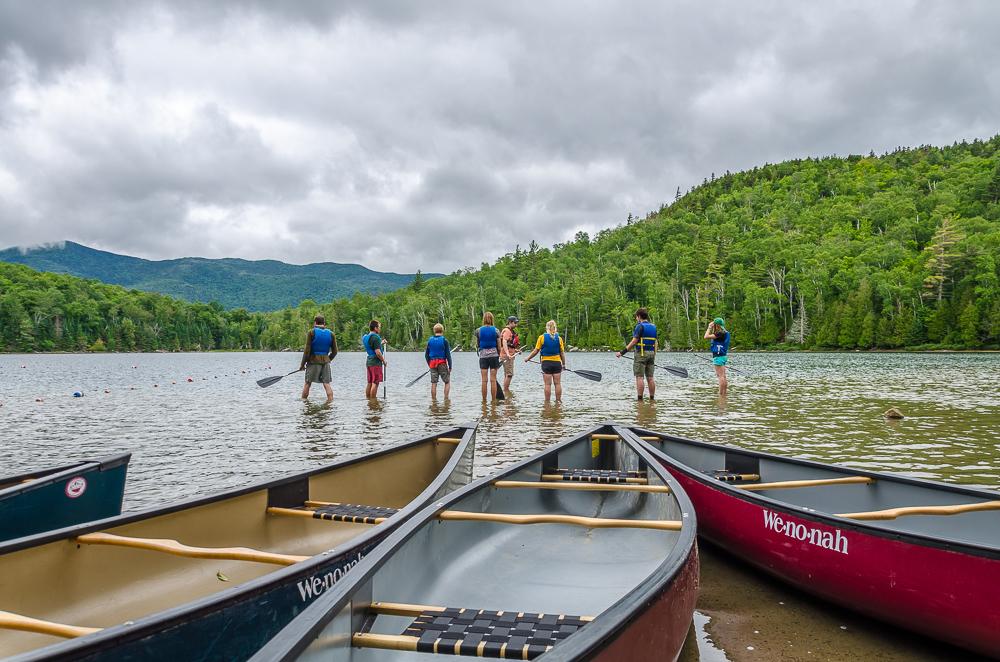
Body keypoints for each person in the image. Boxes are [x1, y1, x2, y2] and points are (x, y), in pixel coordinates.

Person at [616, 307, 657, 400]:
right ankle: (652, 399)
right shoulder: (654, 327)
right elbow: (656, 342)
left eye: (636, 317)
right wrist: (653, 355)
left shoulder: (640, 326)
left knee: (639, 377)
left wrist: (622, 352)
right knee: (650, 378)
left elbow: (634, 341)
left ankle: (640, 400)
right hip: (651, 354)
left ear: (639, 316)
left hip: (641, 354)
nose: (636, 319)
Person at [524, 319, 566, 402]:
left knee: (547, 384)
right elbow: (562, 353)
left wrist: (527, 358)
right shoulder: (559, 338)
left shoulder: (542, 337)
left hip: (546, 364)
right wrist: (563, 364)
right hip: (557, 363)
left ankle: (547, 403)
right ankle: (558, 401)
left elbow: (536, 351)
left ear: (547, 328)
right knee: (557, 384)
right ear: (555, 328)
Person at [300, 315, 337, 401]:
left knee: (307, 383)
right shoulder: (331, 334)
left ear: (315, 323)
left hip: (313, 361)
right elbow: (335, 352)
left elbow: (307, 351)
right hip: (326, 362)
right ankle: (330, 403)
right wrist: (328, 359)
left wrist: (302, 365)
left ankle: (303, 403)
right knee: (327, 383)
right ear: (324, 323)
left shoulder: (311, 332)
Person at [473, 312, 502, 400]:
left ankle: (484, 401)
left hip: (483, 356)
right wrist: (499, 354)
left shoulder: (478, 331)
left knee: (484, 380)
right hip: (494, 356)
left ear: (484, 319)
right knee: (493, 380)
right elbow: (499, 346)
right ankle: (493, 400)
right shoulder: (496, 330)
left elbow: (477, 344)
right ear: (492, 319)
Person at [424, 323, 453, 400]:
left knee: (434, 383)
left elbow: (426, 355)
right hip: (442, 363)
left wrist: (429, 364)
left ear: (434, 331)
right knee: (447, 382)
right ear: (442, 330)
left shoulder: (430, 341)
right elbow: (448, 355)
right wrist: (450, 366)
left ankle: (434, 401)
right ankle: (446, 399)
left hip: (432, 364)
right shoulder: (444, 340)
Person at [362, 320, 387, 399]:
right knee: (375, 383)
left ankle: (368, 400)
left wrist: (381, 343)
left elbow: (372, 346)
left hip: (369, 361)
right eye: (379, 327)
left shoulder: (365, 337)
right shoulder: (375, 337)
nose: (380, 329)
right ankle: (373, 401)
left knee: (370, 382)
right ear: (375, 328)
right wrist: (384, 361)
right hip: (375, 362)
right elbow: (378, 352)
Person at [705, 317, 730, 395]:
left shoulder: (719, 334)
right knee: (723, 376)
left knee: (720, 376)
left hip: (718, 357)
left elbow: (706, 336)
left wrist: (709, 327)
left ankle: (720, 394)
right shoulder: (725, 333)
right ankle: (724, 394)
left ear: (717, 325)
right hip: (723, 356)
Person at [499, 315, 520, 393]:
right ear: (510, 322)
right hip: (507, 356)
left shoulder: (509, 331)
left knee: (507, 374)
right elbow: (504, 341)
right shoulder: (507, 331)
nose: (516, 324)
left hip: (509, 355)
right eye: (515, 323)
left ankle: (505, 393)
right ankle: (506, 391)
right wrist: (508, 354)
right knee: (509, 374)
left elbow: (509, 344)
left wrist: (516, 350)